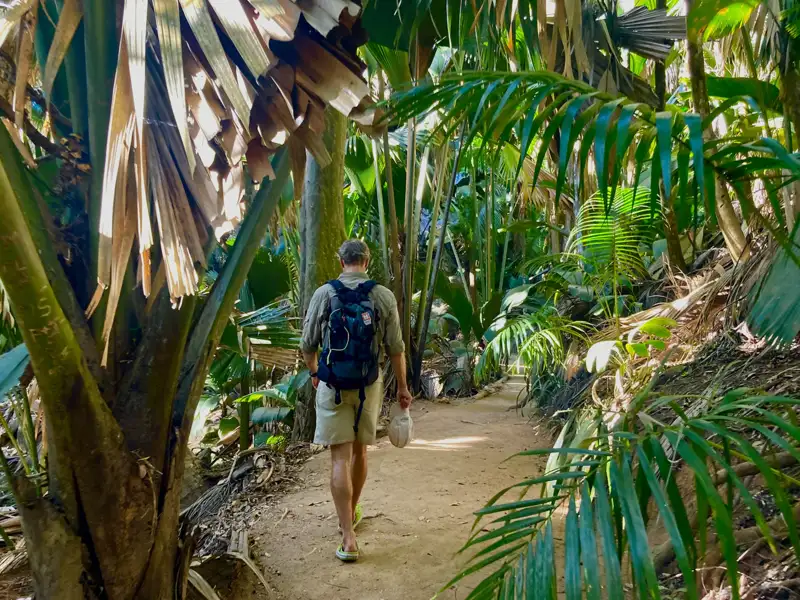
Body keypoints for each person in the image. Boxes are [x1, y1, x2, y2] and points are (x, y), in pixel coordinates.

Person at [300, 239, 413, 563]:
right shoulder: (382, 296)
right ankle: (351, 512)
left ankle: (347, 535)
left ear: (341, 261)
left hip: (332, 384)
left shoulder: (324, 294)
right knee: (361, 452)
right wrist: (403, 388)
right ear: (367, 261)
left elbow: (308, 345)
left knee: (339, 459)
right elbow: (395, 348)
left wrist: (315, 373)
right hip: (368, 384)